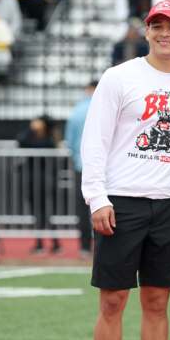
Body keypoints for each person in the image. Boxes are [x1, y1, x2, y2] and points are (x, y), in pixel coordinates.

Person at [80, 0, 170, 340]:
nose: (165, 33)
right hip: (121, 200)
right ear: (146, 31)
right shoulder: (119, 77)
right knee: (112, 300)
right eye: (157, 25)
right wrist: (97, 197)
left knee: (158, 301)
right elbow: (95, 140)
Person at [17, 114, 60, 254]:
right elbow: (21, 141)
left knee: (48, 212)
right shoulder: (31, 136)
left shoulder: (49, 139)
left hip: (46, 181)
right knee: (37, 213)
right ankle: (40, 243)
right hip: (32, 180)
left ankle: (54, 243)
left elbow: (38, 145)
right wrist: (30, 129)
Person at [64, 80, 96, 257]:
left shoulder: (77, 111)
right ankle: (105, 246)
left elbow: (69, 141)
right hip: (105, 167)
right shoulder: (106, 107)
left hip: (81, 165)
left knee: (83, 208)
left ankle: (84, 246)